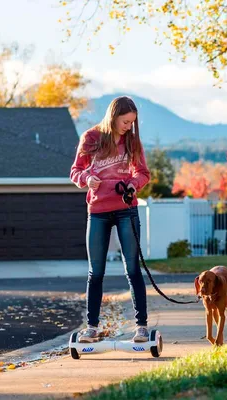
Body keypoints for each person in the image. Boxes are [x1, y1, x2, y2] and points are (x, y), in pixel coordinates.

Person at [70, 96, 150, 343]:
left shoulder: (132, 141)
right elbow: (75, 171)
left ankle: (141, 327)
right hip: (98, 211)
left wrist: (134, 184)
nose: (128, 126)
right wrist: (86, 179)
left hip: (127, 208)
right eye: (125, 122)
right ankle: (91, 327)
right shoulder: (91, 138)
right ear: (113, 117)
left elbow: (143, 173)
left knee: (133, 269)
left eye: (132, 123)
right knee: (96, 272)